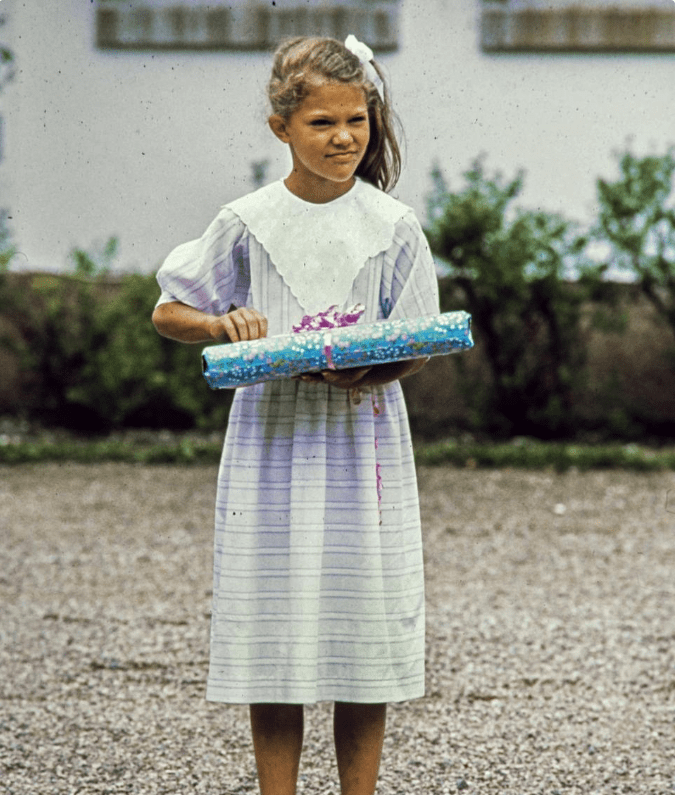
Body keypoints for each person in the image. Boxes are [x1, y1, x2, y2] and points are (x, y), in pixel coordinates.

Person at [152, 34, 440, 795]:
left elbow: (418, 338)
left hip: (361, 439)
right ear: (281, 127)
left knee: (361, 632)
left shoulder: (393, 225)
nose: (343, 137)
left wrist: (374, 367)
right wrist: (220, 325)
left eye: (357, 120)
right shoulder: (246, 220)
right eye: (321, 123)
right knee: (273, 630)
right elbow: (169, 309)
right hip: (271, 442)